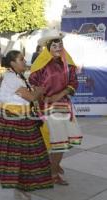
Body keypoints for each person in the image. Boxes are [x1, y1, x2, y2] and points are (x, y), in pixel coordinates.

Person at [0, 50, 53, 200]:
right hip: (13, 120)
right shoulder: (12, 78)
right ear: (12, 63)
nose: (25, 61)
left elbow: (29, 96)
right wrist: (39, 90)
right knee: (19, 155)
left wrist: (37, 91)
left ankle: (21, 185)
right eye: (21, 59)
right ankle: (19, 188)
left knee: (24, 154)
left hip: (20, 118)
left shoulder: (19, 76)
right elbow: (30, 96)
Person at [29, 29, 83, 185]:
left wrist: (59, 95)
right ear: (47, 47)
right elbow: (33, 85)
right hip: (46, 108)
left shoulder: (68, 63)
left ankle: (54, 165)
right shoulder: (40, 65)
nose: (58, 48)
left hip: (64, 106)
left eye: (60, 45)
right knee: (55, 141)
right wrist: (43, 97)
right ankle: (52, 172)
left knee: (62, 141)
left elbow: (73, 83)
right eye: (55, 46)